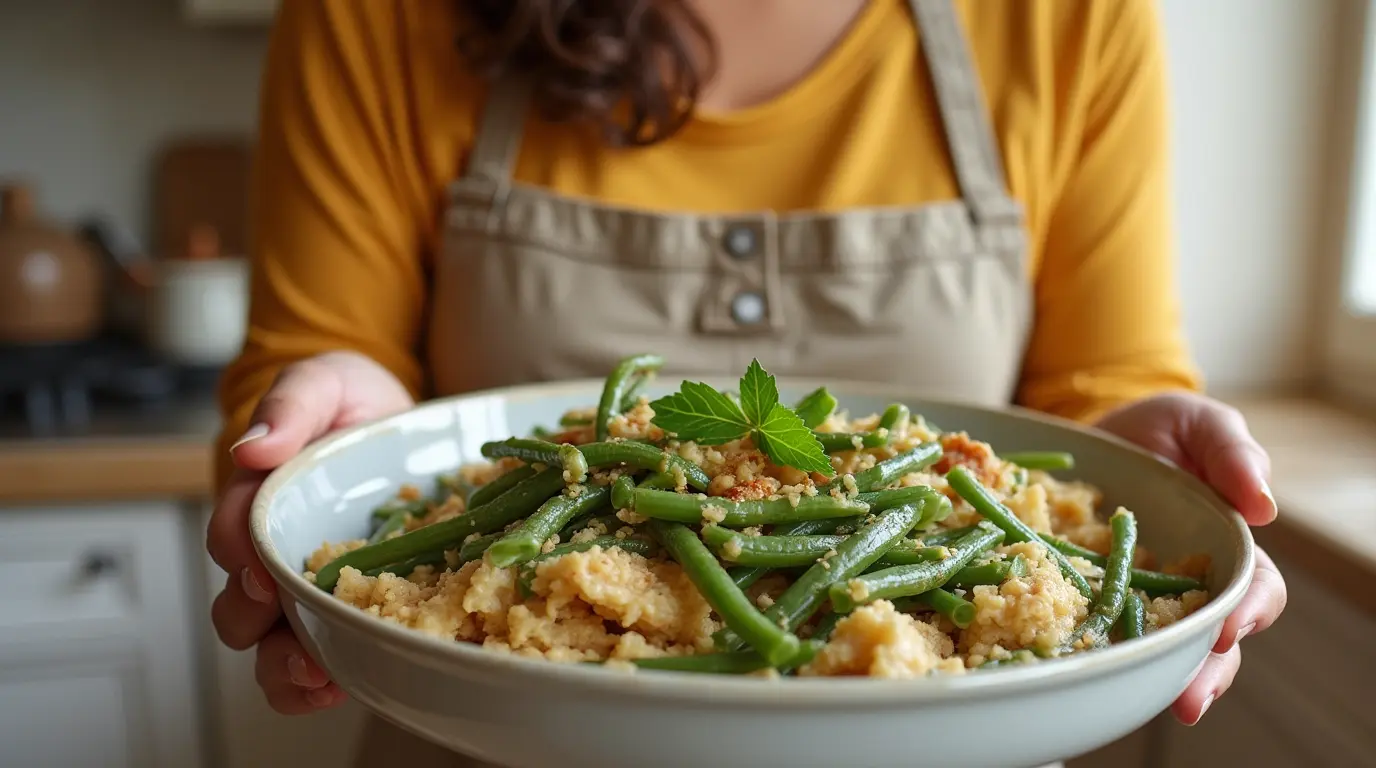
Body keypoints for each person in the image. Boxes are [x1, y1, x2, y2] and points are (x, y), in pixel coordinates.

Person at [206, 1, 1288, 765]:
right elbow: (317, 356)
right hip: (484, 741)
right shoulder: (376, 13)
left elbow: (1102, 388)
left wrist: (1147, 455)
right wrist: (320, 439)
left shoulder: (1069, 14)